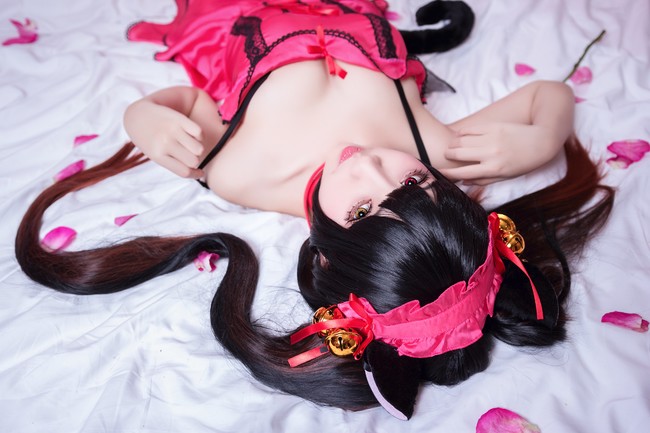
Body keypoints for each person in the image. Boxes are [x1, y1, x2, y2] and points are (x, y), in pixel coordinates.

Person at [15, 0, 614, 420]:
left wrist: (141, 116)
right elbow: (548, 93)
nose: (368, 163)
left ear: (325, 254)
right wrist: (543, 137)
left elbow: (188, 102)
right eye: (412, 181)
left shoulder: (241, 172)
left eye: (360, 209)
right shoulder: (433, 150)